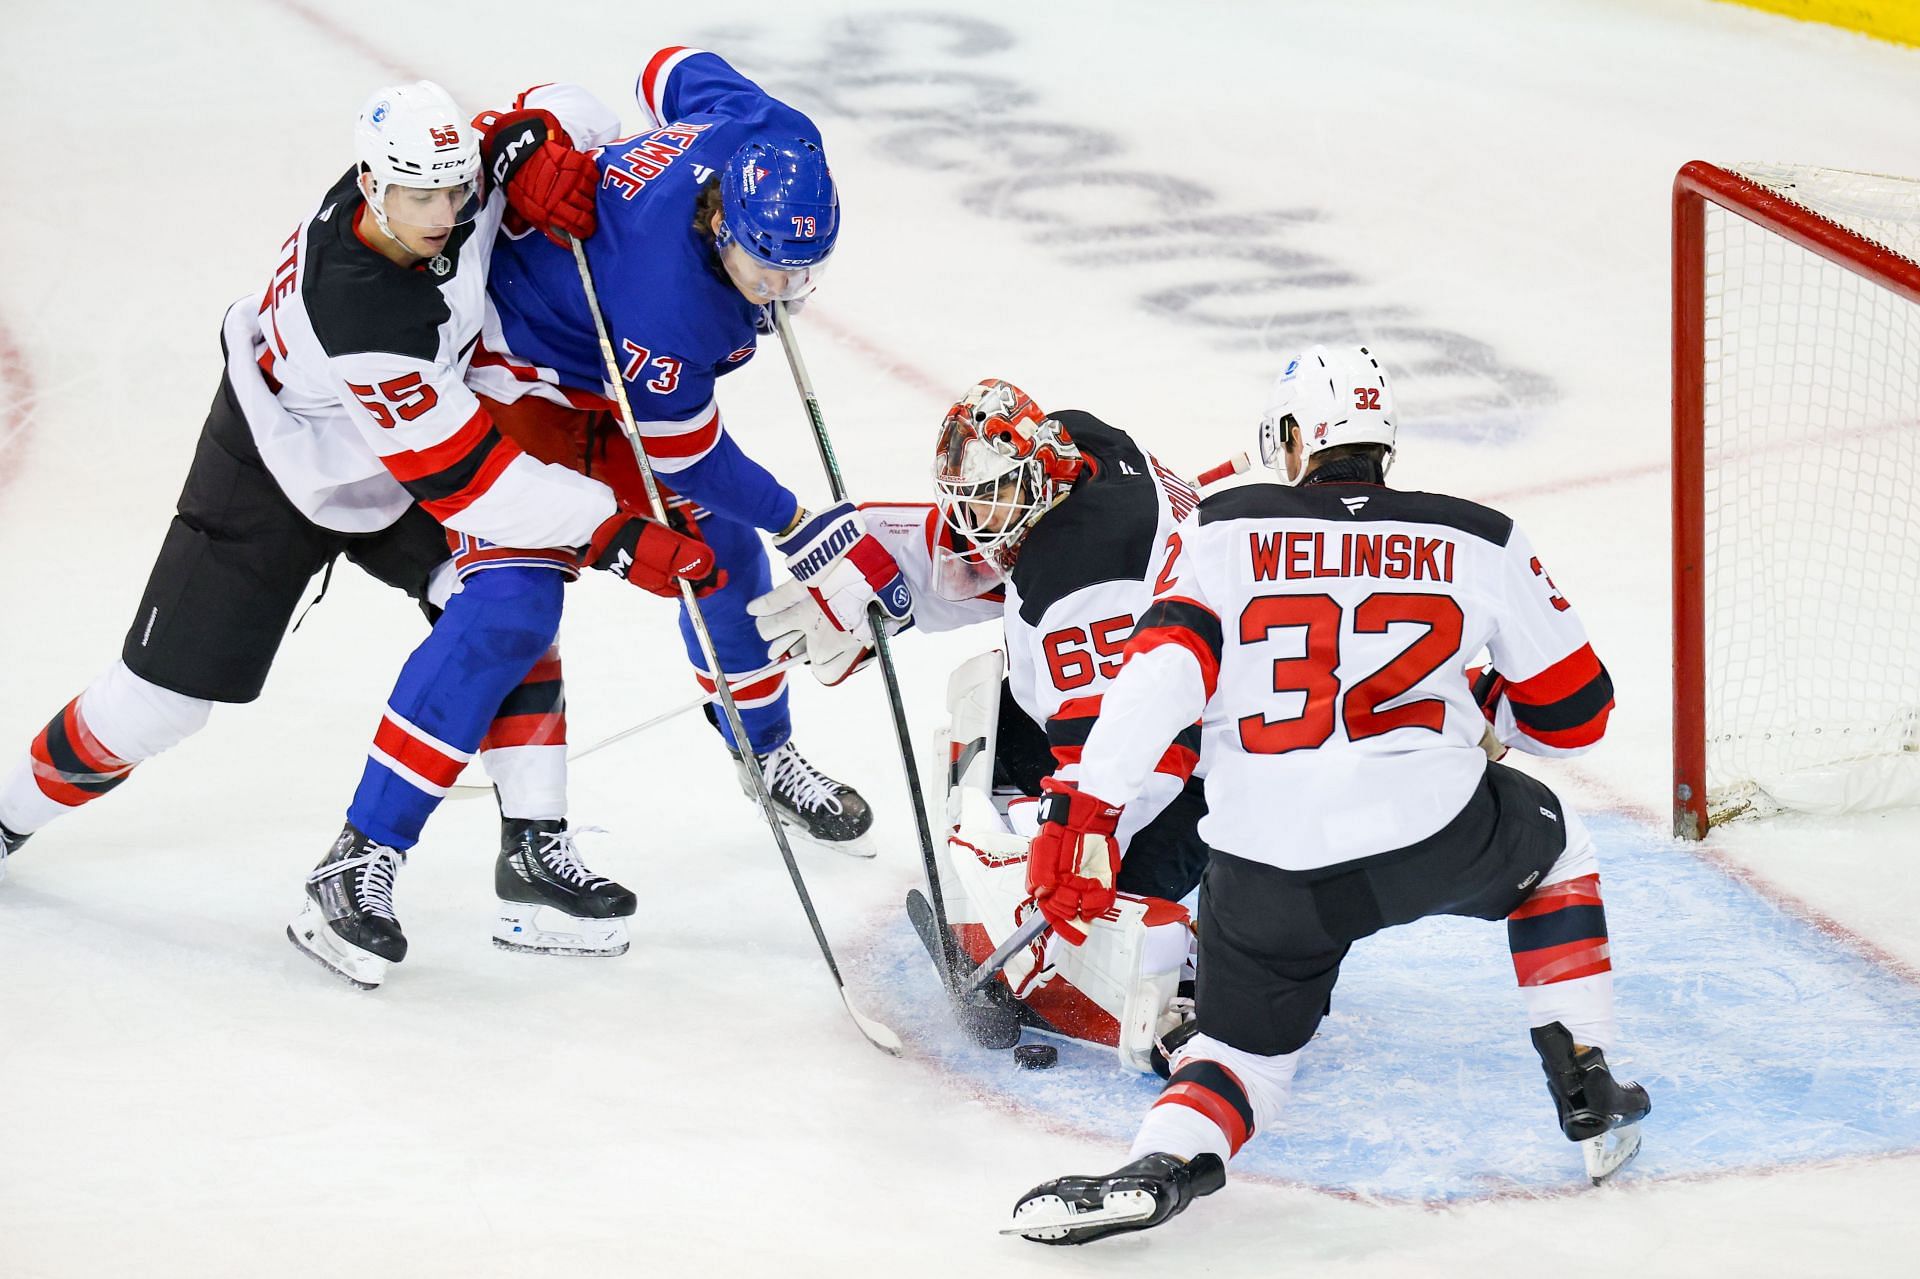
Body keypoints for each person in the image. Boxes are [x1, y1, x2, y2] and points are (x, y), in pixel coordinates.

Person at [0, 81, 716, 988]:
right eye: (421, 198)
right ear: (372, 186)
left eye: (456, 193)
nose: (444, 216)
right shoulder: (354, 303)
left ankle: (532, 852)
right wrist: (616, 534)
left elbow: (569, 112)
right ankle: (6, 812)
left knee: (510, 604)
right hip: (278, 470)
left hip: (400, 456)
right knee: (160, 704)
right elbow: (470, 478)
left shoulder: (450, 182)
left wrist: (532, 139)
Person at [1004, 345, 1650, 1245]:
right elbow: (1577, 716)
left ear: (1295, 438)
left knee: (1239, 1058)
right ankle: (1584, 1075)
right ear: (1384, 443)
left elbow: (1162, 677)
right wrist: (1475, 693)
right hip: (1438, 838)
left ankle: (1159, 1163)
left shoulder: (1219, 529)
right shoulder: (1480, 534)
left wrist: (1083, 810)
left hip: (1266, 866)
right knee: (1557, 847)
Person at [468, 47, 879, 853]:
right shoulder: (670, 305)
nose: (785, 293)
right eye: (767, 271)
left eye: (805, 272)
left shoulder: (773, 131)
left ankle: (766, 755)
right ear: (723, 224)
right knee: (515, 593)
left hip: (615, 340)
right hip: (523, 367)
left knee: (722, 549)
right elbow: (686, 458)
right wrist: (796, 521)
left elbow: (669, 68)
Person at [751, 379, 1210, 1069]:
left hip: (1215, 769)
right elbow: (994, 547)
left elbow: (1126, 757)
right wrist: (880, 572)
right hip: (1223, 706)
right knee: (1005, 710)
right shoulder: (1080, 446)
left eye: (989, 499)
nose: (977, 522)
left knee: (1098, 869)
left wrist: (1074, 855)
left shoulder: (1082, 580)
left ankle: (1144, 977)